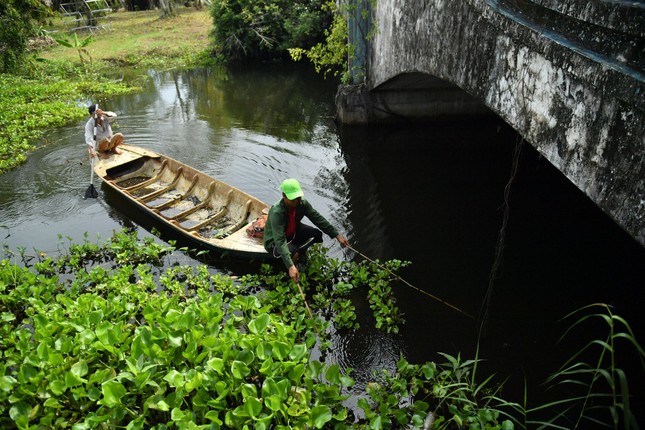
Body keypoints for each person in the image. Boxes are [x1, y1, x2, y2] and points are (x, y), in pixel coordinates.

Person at [264, 178, 350, 283]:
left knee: (316, 234)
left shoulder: (302, 204)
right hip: (275, 240)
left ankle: (298, 252)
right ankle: (291, 266)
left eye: (298, 198)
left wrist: (337, 235)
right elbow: (280, 241)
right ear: (284, 196)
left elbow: (317, 218)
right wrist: (290, 266)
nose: (296, 201)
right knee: (291, 251)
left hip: (293, 231)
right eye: (293, 199)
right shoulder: (277, 212)